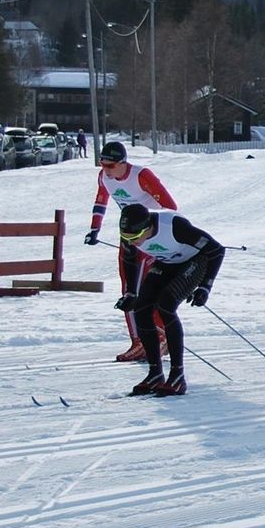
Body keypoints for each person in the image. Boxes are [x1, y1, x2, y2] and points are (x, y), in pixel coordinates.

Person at [113, 202, 226, 397]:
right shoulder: (131, 232)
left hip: (195, 261)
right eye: (126, 238)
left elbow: (216, 250)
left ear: (148, 227)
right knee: (140, 308)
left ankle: (177, 376)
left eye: (136, 238)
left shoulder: (174, 226)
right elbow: (130, 260)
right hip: (166, 263)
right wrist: (131, 293)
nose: (131, 243)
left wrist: (205, 286)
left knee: (166, 306)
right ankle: (155, 374)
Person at [86, 141, 178, 362]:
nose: (106, 170)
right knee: (128, 288)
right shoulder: (104, 177)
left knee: (144, 287)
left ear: (122, 163)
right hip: (128, 235)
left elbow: (170, 207)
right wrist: (94, 229)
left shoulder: (141, 175)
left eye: (110, 166)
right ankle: (139, 341)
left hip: (151, 236)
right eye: (102, 164)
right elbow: (101, 201)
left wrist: (166, 234)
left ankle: (158, 336)